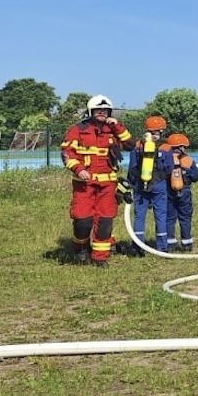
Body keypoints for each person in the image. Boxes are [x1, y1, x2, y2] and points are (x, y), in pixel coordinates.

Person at [60, 94, 134, 267]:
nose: (102, 113)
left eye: (105, 110)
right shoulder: (77, 129)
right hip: (84, 184)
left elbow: (130, 145)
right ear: (91, 111)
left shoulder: (113, 129)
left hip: (107, 184)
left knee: (105, 220)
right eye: (98, 110)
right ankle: (81, 249)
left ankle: (100, 257)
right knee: (82, 220)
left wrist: (117, 126)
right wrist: (79, 169)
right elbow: (66, 153)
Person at [127, 115, 174, 255]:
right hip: (159, 184)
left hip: (140, 184)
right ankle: (162, 247)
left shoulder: (138, 145)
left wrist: (133, 183)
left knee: (139, 216)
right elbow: (169, 168)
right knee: (161, 215)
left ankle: (137, 247)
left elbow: (132, 167)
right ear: (161, 130)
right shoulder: (166, 147)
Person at [164, 132, 198, 252]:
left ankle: (170, 244)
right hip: (184, 192)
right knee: (185, 218)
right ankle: (186, 244)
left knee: (169, 218)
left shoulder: (165, 159)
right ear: (182, 147)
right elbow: (195, 177)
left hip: (168, 192)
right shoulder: (188, 160)